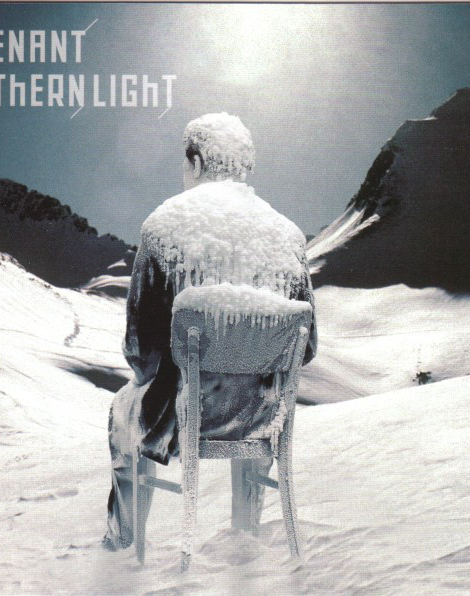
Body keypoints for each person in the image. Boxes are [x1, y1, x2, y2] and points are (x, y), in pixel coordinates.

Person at [103, 112, 317, 550]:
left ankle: (122, 543)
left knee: (122, 411)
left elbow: (140, 352)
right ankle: (246, 536)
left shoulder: (162, 227)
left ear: (197, 162)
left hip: (182, 416)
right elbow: (307, 345)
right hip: (262, 417)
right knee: (256, 394)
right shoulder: (290, 237)